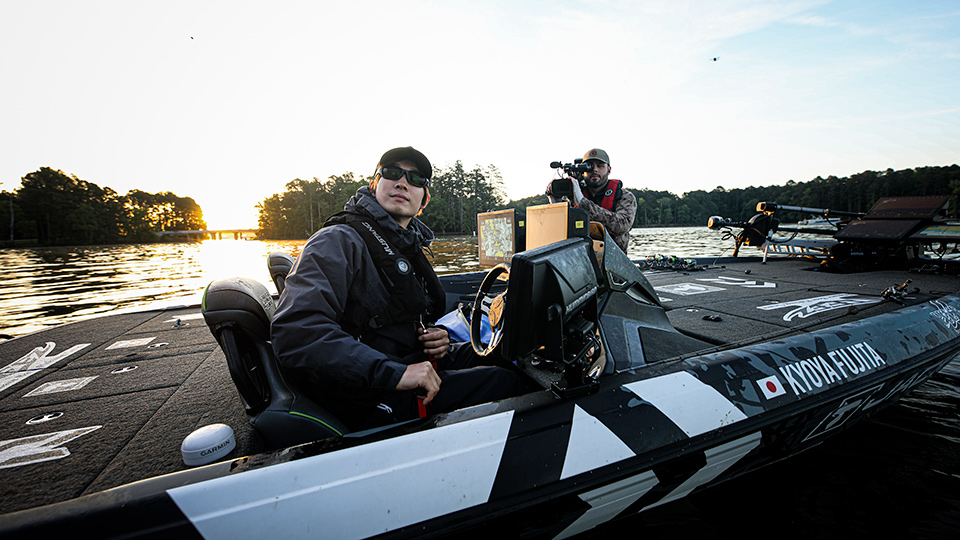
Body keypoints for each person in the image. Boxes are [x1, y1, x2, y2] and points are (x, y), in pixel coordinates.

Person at [271, 146, 527, 430]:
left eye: (415, 179)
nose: (402, 183)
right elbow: (295, 332)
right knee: (505, 381)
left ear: (424, 200)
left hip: (403, 360)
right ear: (374, 184)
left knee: (504, 352)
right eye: (392, 173)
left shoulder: (404, 244)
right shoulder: (337, 240)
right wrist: (396, 373)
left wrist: (437, 336)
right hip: (367, 392)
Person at [546, 148, 638, 253]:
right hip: (580, 257)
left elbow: (621, 226)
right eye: (589, 166)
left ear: (609, 169)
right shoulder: (573, 196)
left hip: (613, 258)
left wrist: (582, 202)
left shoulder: (624, 196)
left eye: (600, 166)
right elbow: (559, 230)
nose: (595, 170)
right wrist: (556, 204)